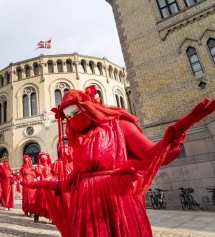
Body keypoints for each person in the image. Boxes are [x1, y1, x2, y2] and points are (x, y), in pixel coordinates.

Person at [23, 87, 214, 237]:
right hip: (85, 211)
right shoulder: (80, 143)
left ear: (88, 107)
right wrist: (39, 184)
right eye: (69, 117)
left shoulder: (120, 126)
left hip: (119, 204)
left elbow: (153, 155)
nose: (74, 120)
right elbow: (69, 183)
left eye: (76, 112)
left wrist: (176, 131)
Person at [31, 152, 54, 223]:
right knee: (40, 201)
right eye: (42, 157)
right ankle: (36, 215)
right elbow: (38, 174)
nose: (44, 158)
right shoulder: (39, 166)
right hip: (42, 185)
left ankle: (53, 217)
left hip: (50, 184)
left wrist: (50, 178)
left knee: (51, 202)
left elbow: (53, 174)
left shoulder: (50, 166)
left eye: (45, 157)